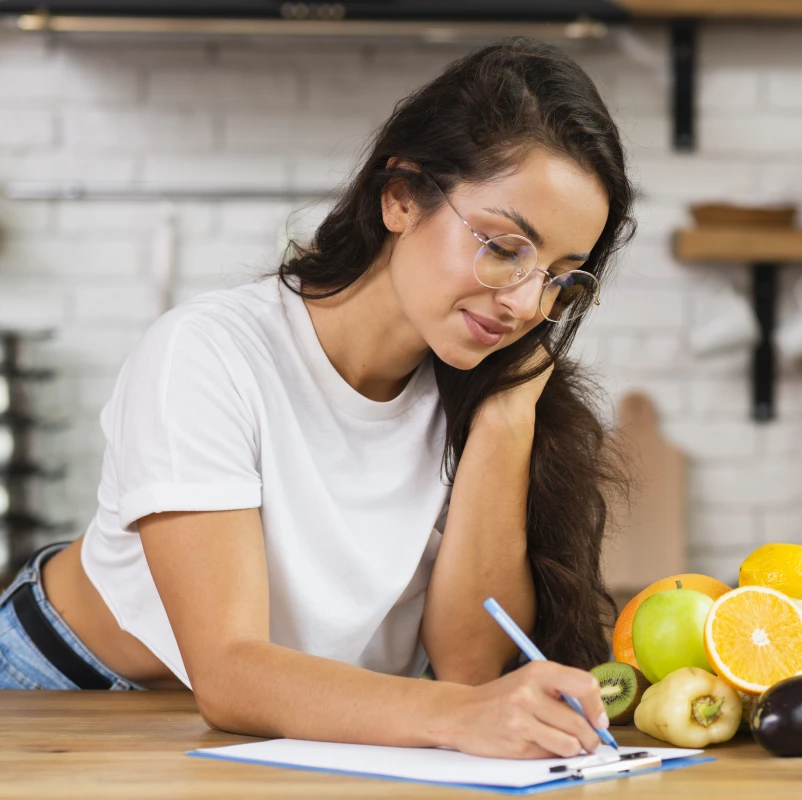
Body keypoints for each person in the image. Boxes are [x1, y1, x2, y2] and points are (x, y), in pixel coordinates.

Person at [0, 37, 635, 760]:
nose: (526, 303)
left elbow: (468, 669)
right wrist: (458, 716)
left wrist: (506, 418)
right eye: (502, 246)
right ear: (400, 197)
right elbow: (231, 673)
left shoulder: (485, 383)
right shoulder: (209, 354)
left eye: (559, 276)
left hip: (318, 723)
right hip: (76, 700)